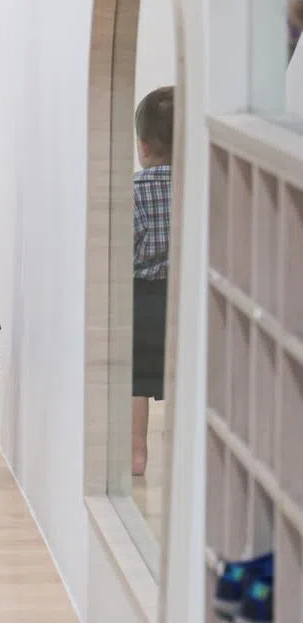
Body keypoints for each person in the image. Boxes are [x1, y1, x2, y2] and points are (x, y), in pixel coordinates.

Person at [130, 86, 174, 476]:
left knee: (135, 380)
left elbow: (123, 248)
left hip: (140, 300)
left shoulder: (133, 190)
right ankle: (182, 455)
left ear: (144, 146)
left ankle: (136, 455)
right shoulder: (203, 187)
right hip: (186, 299)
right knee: (185, 377)